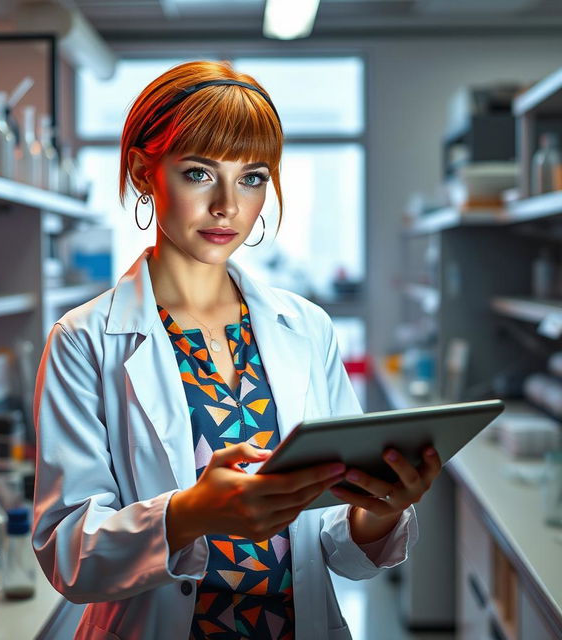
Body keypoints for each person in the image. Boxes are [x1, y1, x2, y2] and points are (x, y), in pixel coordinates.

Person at [32, 60, 443, 640]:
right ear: (144, 173)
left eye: (252, 177)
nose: (228, 204)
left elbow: (339, 550)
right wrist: (192, 513)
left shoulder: (306, 327)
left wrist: (377, 507)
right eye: (199, 172)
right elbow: (67, 555)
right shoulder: (84, 339)